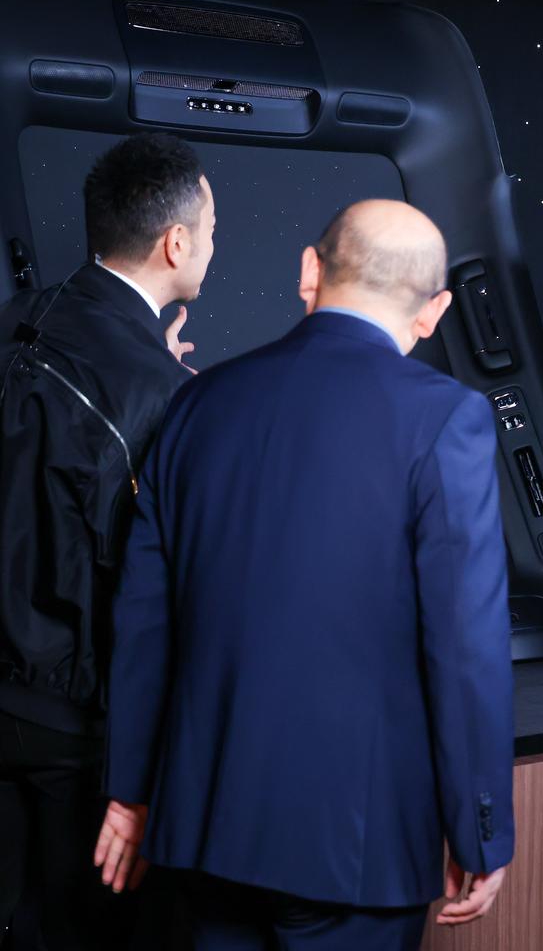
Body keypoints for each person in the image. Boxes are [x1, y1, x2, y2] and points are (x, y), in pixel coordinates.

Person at [94, 199, 514, 950]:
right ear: (435, 311)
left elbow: (144, 618)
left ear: (310, 272)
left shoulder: (199, 401)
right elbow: (465, 646)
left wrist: (130, 793)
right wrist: (480, 830)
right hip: (354, 843)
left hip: (199, 824)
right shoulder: (447, 417)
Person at [0, 133, 209, 947]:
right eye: (211, 227)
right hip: (74, 716)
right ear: (176, 242)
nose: (214, 242)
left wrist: (149, 363)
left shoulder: (21, 318)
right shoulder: (162, 394)